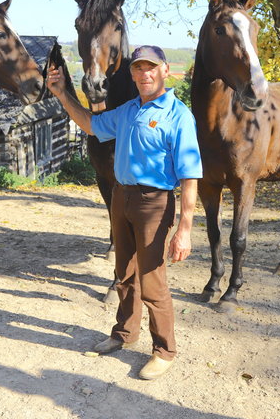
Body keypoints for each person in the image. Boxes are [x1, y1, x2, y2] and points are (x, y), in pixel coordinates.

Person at [46, 45, 202, 380]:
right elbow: (89, 123)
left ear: (164, 72)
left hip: (154, 203)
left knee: (152, 279)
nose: (144, 75)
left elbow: (190, 176)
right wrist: (61, 92)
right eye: (138, 69)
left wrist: (185, 229)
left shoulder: (178, 115)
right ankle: (124, 333)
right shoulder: (129, 111)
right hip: (121, 197)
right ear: (132, 74)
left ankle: (164, 350)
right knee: (125, 272)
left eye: (151, 68)